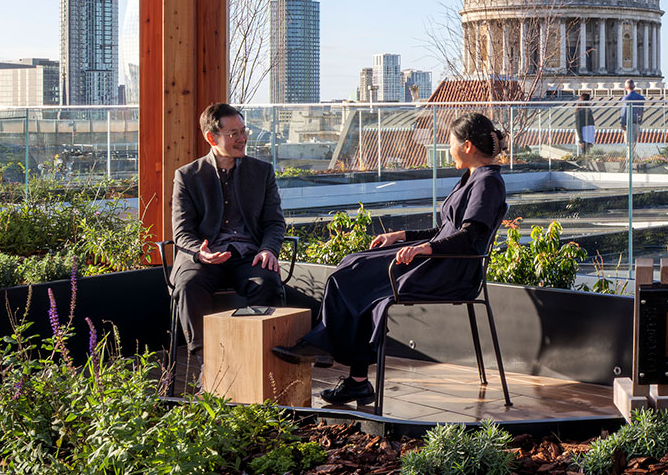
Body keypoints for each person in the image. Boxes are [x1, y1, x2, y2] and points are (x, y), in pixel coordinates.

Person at [276, 112, 509, 406]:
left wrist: (425, 250)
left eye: (450, 142)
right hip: (439, 261)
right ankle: (354, 378)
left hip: (449, 272)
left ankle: (323, 348)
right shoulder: (472, 179)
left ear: (467, 146)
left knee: (354, 275)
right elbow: (444, 231)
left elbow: (470, 238)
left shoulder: (487, 183)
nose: (448, 148)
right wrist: (401, 236)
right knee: (353, 264)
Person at [170, 103, 286, 366]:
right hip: (205, 256)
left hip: (249, 255)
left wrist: (268, 249)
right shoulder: (188, 176)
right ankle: (207, 364)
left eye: (244, 131)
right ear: (212, 138)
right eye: (234, 133)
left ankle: (248, 358)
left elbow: (275, 223)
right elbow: (181, 231)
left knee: (267, 284)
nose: (243, 138)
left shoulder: (262, 172)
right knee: (188, 286)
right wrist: (200, 251)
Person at [620, 79, 645, 147]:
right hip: (636, 123)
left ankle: (630, 158)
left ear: (625, 88)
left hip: (628, 124)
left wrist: (622, 124)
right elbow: (641, 111)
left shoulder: (626, 98)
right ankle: (633, 157)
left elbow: (624, 112)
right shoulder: (641, 98)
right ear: (634, 86)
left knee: (629, 146)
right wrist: (640, 121)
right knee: (634, 145)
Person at [574, 91, 595, 156]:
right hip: (584, 136)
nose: (591, 101)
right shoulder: (580, 112)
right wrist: (581, 140)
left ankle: (585, 164)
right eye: (590, 99)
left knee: (587, 153)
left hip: (588, 136)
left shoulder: (588, 110)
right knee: (585, 154)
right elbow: (578, 126)